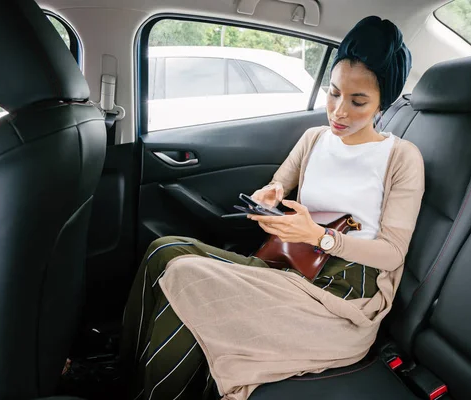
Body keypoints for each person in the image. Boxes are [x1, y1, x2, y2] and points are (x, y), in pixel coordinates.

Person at [120, 15, 425, 400]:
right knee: (161, 250)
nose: (339, 111)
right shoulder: (315, 138)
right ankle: (124, 374)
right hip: (288, 264)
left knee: (187, 276)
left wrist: (321, 237)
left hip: (342, 296)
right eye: (333, 93)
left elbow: (393, 253)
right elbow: (278, 184)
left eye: (358, 101)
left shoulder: (401, 157)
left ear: (385, 101)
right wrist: (269, 195)